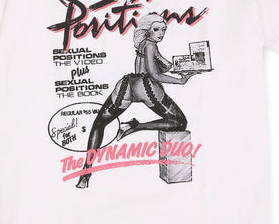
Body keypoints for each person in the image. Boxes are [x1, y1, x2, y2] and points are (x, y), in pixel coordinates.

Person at [76, 13, 198, 188]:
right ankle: (135, 126)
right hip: (146, 87)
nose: (161, 33)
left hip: (127, 84)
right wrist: (181, 81)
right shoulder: (151, 45)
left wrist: (181, 67)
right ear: (147, 30)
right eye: (157, 29)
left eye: (163, 30)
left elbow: (162, 66)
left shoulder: (144, 44)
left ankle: (85, 173)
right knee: (179, 122)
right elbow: (154, 74)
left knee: (99, 124)